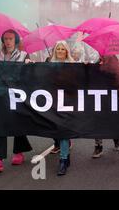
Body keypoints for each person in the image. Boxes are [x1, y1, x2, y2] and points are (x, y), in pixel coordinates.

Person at [0, 30, 33, 173]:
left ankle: (19, 152)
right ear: (3, 41)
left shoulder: (23, 55)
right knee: (1, 125)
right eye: (5, 39)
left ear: (15, 40)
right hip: (2, 97)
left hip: (18, 96)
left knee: (17, 123)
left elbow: (29, 76)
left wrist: (29, 65)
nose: (8, 41)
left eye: (10, 38)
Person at [48, 41, 74, 175]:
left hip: (68, 102)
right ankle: (66, 154)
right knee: (57, 129)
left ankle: (63, 160)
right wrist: (30, 64)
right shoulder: (49, 65)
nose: (59, 51)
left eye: (62, 49)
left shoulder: (74, 65)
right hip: (53, 101)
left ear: (66, 51)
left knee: (63, 130)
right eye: (57, 48)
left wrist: (87, 67)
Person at [92, 54, 119, 158]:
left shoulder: (114, 60)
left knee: (113, 121)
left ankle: (116, 139)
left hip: (112, 98)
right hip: (99, 98)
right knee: (97, 122)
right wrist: (92, 66)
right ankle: (98, 147)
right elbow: (91, 75)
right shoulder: (98, 61)